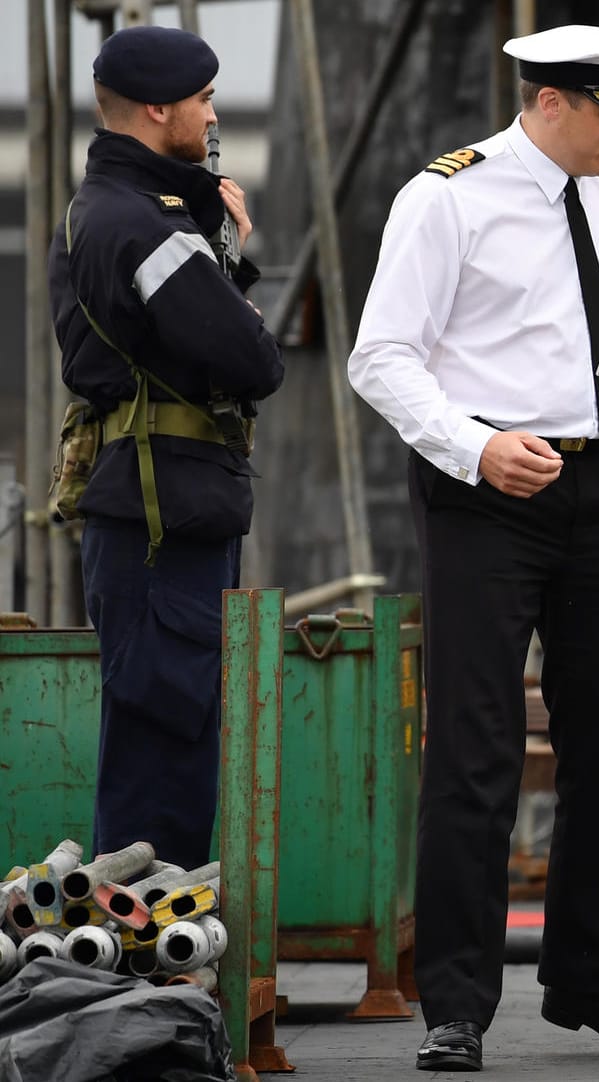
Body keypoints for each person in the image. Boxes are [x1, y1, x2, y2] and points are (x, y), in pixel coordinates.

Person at [346, 25, 599, 1072]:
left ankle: (593, 980)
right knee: (473, 754)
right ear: (552, 101)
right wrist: (475, 448)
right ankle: (459, 1003)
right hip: (488, 495)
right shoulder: (448, 196)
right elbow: (379, 357)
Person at [50, 24, 283, 870]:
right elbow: (253, 360)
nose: (213, 113)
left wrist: (219, 251)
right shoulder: (145, 227)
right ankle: (145, 981)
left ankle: (147, 970)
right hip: (162, 518)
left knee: (167, 737)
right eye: (203, 100)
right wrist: (228, 261)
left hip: (163, 511)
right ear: (158, 109)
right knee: (164, 748)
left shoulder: (123, 211)